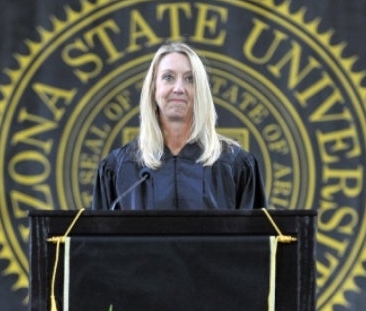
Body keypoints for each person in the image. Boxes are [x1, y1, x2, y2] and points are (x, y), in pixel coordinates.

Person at [91, 41, 268, 210]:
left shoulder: (236, 166)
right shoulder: (118, 168)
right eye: (168, 77)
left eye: (190, 79)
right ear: (153, 89)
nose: (178, 88)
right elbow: (99, 239)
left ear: (201, 91)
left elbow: (257, 239)